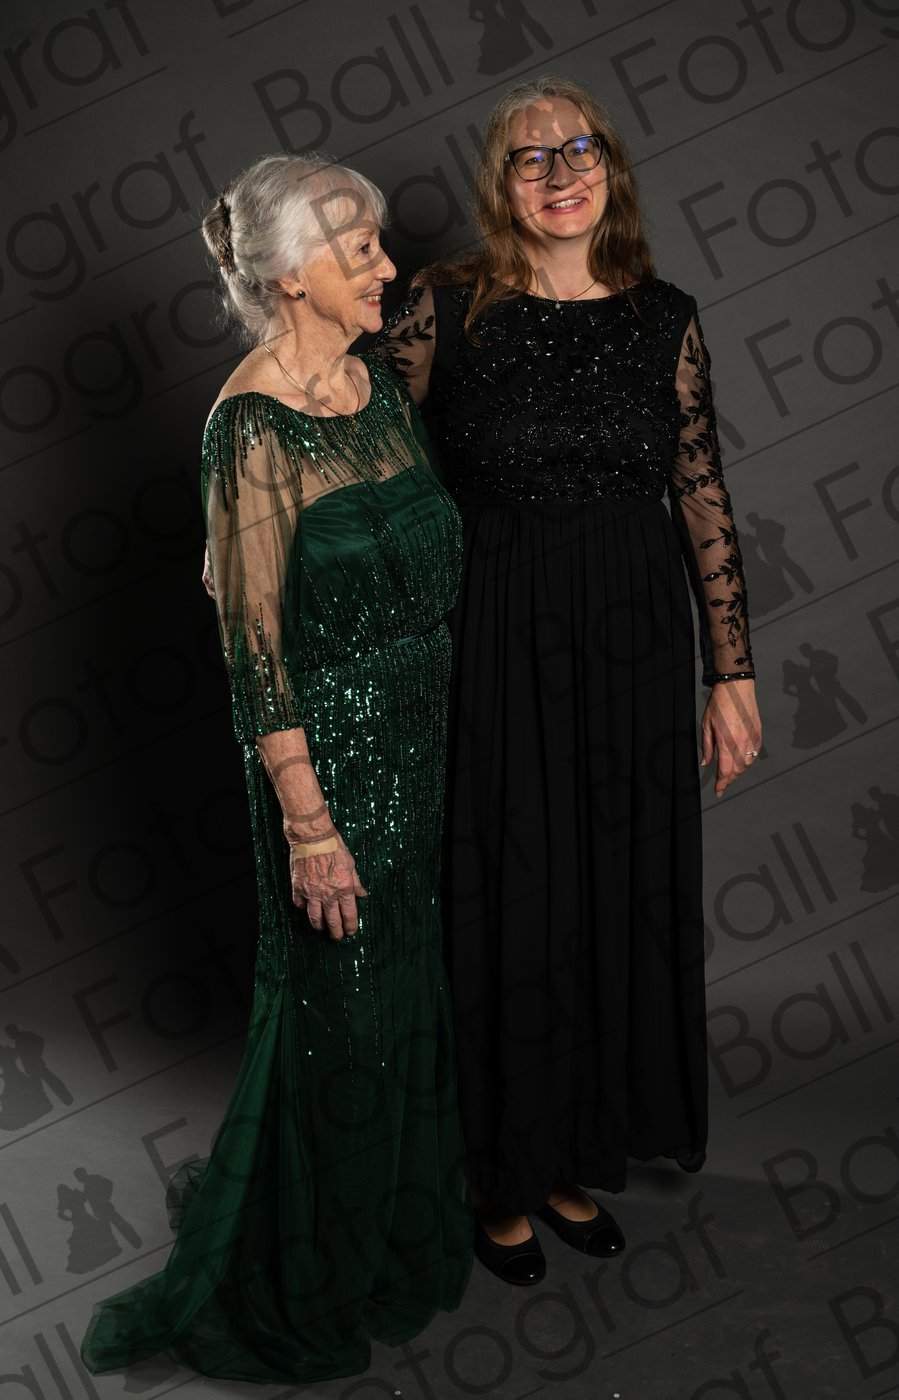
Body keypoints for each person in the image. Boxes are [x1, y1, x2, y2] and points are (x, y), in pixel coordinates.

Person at [78, 153, 473, 1384]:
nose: (387, 267)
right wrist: (308, 821)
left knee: (402, 990)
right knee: (337, 1011)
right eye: (361, 250)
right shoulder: (247, 425)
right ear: (293, 274)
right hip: (330, 764)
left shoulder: (372, 384)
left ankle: (385, 1226)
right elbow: (253, 652)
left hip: (421, 738)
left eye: (380, 244)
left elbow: (415, 541)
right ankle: (306, 1263)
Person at [372, 74, 763, 1286]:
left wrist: (730, 672)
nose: (559, 173)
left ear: (611, 168)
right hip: (491, 633)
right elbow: (360, 456)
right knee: (512, 894)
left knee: (607, 893)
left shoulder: (665, 316)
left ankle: (565, 1151)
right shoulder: (443, 306)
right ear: (501, 185)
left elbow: (699, 489)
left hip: (632, 640)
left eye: (579, 149)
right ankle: (496, 1166)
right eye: (530, 157)